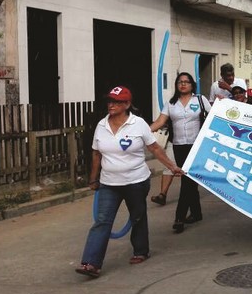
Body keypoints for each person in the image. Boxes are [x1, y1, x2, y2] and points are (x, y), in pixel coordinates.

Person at [76, 86, 183, 278]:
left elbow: (154, 148)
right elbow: (96, 154)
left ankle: (141, 251)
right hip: (109, 183)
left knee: (137, 216)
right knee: (102, 221)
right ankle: (91, 263)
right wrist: (93, 178)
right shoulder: (101, 125)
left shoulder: (138, 124)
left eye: (116, 102)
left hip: (136, 181)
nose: (111, 105)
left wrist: (172, 166)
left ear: (126, 104)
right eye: (110, 101)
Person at [150, 73, 212, 234]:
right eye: (180, 82)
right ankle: (196, 213)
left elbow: (213, 117)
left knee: (187, 181)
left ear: (192, 85)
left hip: (196, 146)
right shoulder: (171, 104)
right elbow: (160, 122)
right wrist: (142, 131)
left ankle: (179, 218)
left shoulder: (200, 100)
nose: (183, 84)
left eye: (186, 82)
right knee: (189, 180)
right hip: (178, 146)